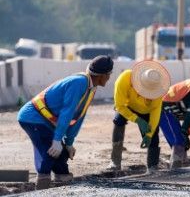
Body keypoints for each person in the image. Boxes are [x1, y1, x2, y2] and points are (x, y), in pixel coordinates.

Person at [18, 56, 113, 190]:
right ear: (102, 75)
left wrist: (68, 143)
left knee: (62, 156)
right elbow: (67, 113)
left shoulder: (91, 88)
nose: (109, 78)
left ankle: (61, 182)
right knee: (50, 153)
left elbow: (78, 117)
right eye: (108, 75)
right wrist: (57, 140)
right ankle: (41, 185)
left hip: (46, 121)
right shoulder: (79, 83)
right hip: (33, 118)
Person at [109, 60, 171, 173]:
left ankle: (152, 166)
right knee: (118, 121)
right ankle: (115, 162)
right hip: (127, 106)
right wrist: (137, 120)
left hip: (146, 110)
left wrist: (148, 134)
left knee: (153, 135)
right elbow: (119, 105)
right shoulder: (124, 79)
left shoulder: (158, 90)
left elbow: (155, 113)